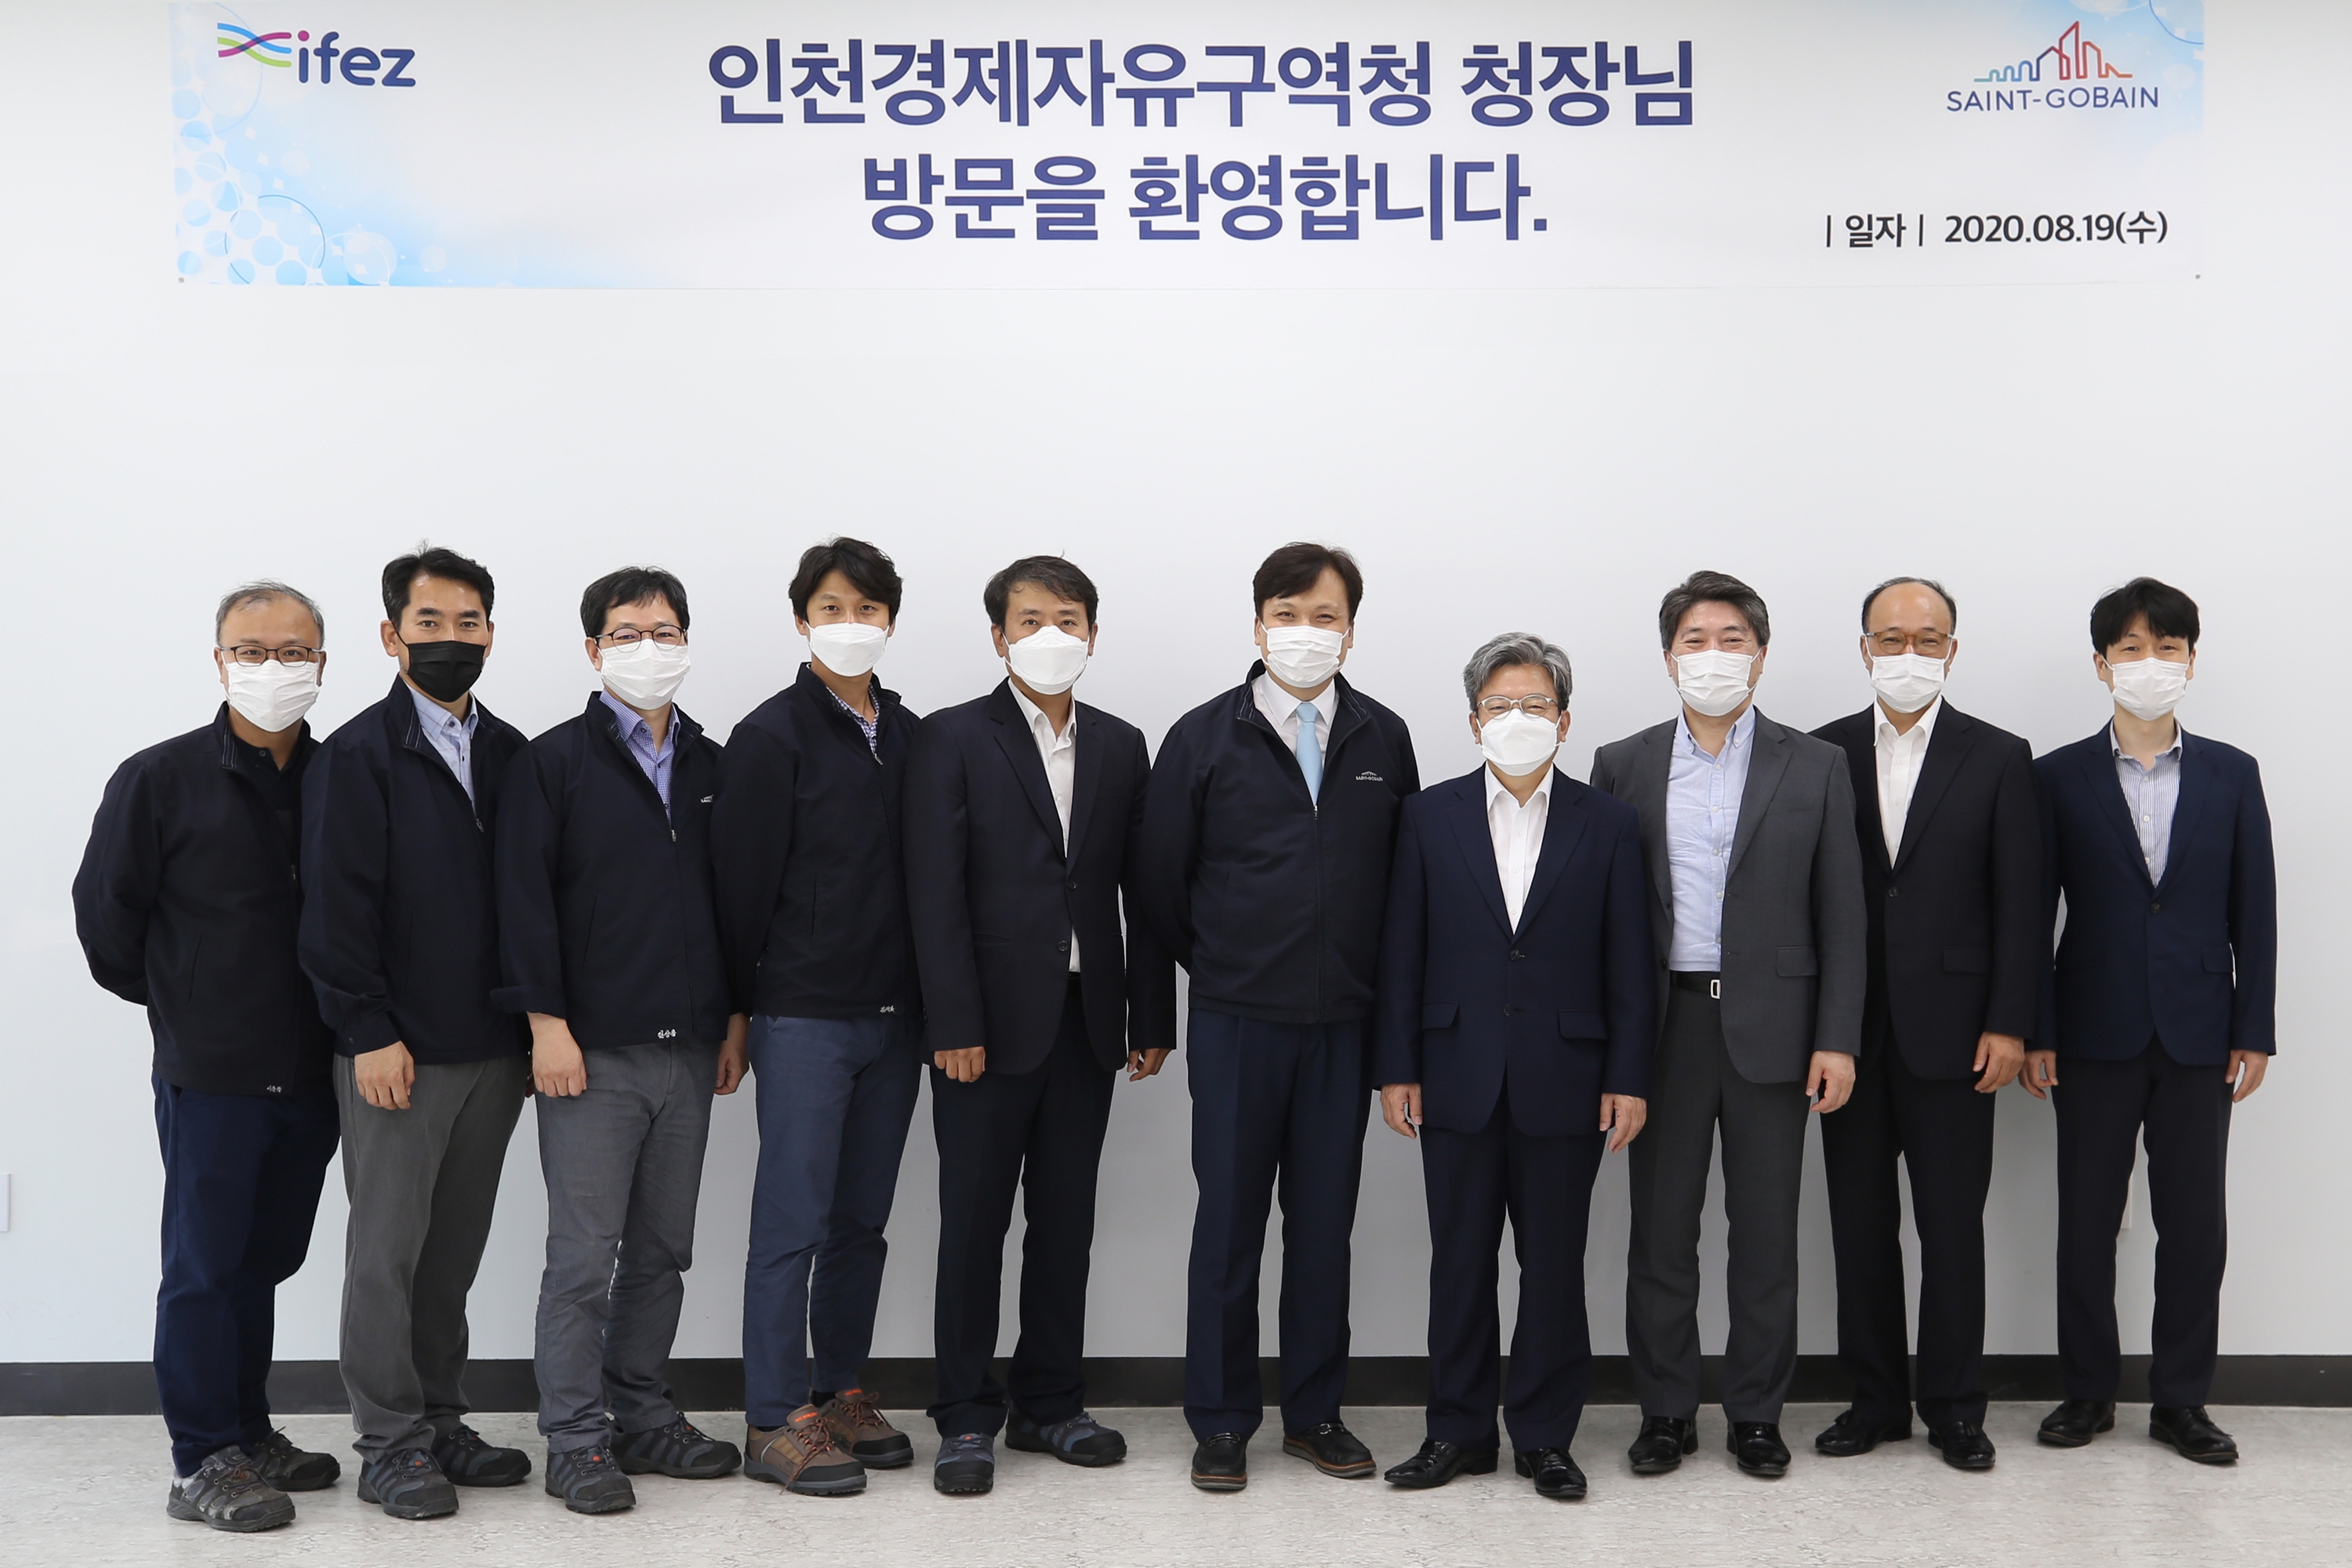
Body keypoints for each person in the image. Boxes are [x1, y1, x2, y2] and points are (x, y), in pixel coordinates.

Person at [1138, 542, 1421, 1493]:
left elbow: (1405, 889)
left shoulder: (1383, 737)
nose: (1307, 631)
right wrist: (1226, 963)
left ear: (1351, 630)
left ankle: (1316, 1413)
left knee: (1323, 1227)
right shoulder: (1201, 736)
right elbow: (1161, 885)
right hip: (1238, 1023)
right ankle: (1221, 1420)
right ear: (1259, 624)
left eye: (1325, 615)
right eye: (1289, 614)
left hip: (1344, 1025)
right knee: (1228, 1226)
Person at [904, 556, 1177, 1495]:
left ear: (1093, 633)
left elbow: (1142, 889)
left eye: (1068, 618)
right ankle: (964, 1414)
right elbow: (933, 891)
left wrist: (1150, 1012)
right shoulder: (950, 737)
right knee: (974, 1226)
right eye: (1030, 620)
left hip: (1086, 1021)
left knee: (1065, 1223)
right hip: (981, 1029)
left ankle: (1051, 1402)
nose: (1050, 635)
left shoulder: (1121, 743)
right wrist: (951, 1020)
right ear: (999, 636)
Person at [74, 582, 343, 1533]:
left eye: (294, 650)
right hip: (214, 1072)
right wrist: (191, 1003)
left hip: (314, 1068)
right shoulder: (159, 778)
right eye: (252, 649)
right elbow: (108, 923)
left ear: (323, 660)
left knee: (262, 1258)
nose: (274, 667)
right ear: (220, 659)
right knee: (203, 1265)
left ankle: (249, 1429)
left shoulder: (340, 776)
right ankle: (200, 1457)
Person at [1588, 569, 1865, 1481]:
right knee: (1661, 1232)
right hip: (1663, 1025)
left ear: (1761, 653)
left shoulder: (1816, 763)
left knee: (1767, 1235)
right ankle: (1666, 1410)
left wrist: (1837, 1036)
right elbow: (1603, 917)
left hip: (1776, 1029)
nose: (1714, 655)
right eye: (1696, 640)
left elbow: (1843, 914)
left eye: (1732, 639)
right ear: (1670, 656)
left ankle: (1755, 1412)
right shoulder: (1623, 762)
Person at [1371, 633, 1653, 1501]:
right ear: (1473, 721)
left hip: (1569, 1076)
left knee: (1554, 1266)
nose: (1518, 718)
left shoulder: (1609, 822)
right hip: (1453, 1070)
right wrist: (1396, 1067)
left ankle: (1543, 1436)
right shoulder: (1427, 815)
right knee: (1459, 1262)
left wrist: (1629, 1075)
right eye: (1500, 705)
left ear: (1563, 721)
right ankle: (1456, 1431)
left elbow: (1630, 961)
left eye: (1536, 704)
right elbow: (1401, 950)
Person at [494, 567, 750, 1513]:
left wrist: (733, 1018)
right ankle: (575, 1437)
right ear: (594, 648)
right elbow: (522, 902)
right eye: (628, 632)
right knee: (581, 1256)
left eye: (666, 630)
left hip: (691, 1049)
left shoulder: (715, 764)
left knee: (662, 1249)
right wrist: (546, 1026)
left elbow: (732, 904)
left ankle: (642, 1413)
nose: (650, 647)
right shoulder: (551, 763)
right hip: (590, 1054)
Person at [299, 546, 533, 1520]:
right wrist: (367, 1029)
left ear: (491, 634)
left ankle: (441, 1417)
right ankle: (388, 1442)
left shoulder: (515, 753)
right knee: (386, 1254)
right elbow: (334, 909)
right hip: (398, 1050)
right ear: (392, 635)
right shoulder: (357, 755)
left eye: (467, 622)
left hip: (495, 1048)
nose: (450, 638)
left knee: (452, 1252)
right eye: (429, 623)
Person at [2029, 577, 2274, 1465]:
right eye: (2131, 648)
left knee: (2194, 1225)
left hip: (2202, 1030)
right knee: (2087, 1220)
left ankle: (2182, 1400)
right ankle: (2087, 1392)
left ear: (2191, 661)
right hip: (2090, 1028)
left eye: (2167, 648)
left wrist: (2255, 1026)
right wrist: (2037, 1027)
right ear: (2102, 665)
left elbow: (2256, 908)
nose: (2150, 663)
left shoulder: (2233, 772)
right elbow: (2032, 913)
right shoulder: (2055, 776)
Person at [1810, 579, 2040, 1471]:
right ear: (1865, 647)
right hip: (1850, 1036)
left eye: (1929, 638)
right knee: (1860, 1231)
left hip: (1959, 1035)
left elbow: (2022, 902)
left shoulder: (2000, 755)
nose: (1910, 653)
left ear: (1952, 648)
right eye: (1892, 637)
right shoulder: (1821, 752)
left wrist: (2010, 1021)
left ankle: (1954, 1407)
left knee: (1951, 1231)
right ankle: (1874, 1402)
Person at [710, 538, 924, 1498]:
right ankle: (771, 1414)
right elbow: (740, 888)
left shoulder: (910, 732)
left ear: (890, 620)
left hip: (895, 1017)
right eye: (831, 607)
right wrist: (739, 1011)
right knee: (791, 1221)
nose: (851, 623)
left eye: (867, 608)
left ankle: (839, 1391)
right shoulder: (771, 735)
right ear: (802, 620)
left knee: (860, 1222)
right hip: (804, 1015)